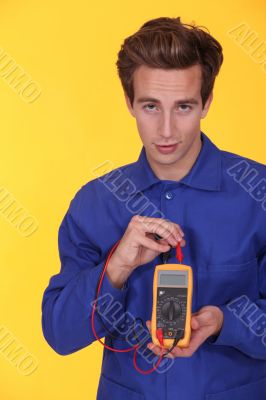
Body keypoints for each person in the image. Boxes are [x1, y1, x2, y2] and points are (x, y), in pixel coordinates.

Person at [41, 16, 266, 399]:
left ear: (207, 103)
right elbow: (59, 334)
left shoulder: (257, 193)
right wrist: (117, 267)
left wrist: (225, 322)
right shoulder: (95, 202)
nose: (165, 130)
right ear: (129, 102)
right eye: (150, 106)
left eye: (183, 107)